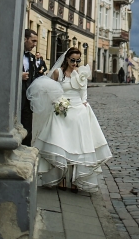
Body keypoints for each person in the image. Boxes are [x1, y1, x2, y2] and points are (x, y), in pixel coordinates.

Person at [26, 47, 112, 193]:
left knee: (77, 146)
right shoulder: (58, 73)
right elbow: (49, 89)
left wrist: (84, 105)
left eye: (78, 60)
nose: (75, 63)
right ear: (67, 59)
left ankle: (75, 180)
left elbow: (84, 94)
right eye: (72, 60)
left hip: (78, 112)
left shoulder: (81, 74)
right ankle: (61, 178)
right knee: (61, 144)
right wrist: (57, 102)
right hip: (62, 111)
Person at [22, 29, 39, 146]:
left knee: (28, 128)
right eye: (33, 41)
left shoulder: (32, 58)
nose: (35, 44)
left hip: (28, 99)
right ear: (25, 39)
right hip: (16, 97)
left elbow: (35, 76)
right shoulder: (14, 53)